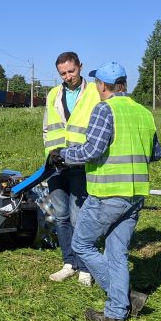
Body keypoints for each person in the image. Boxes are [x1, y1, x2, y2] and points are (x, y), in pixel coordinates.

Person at [52, 61, 161, 321]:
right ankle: (115, 316)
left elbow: (92, 151)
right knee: (117, 253)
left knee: (82, 245)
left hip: (108, 194)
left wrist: (63, 155)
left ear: (102, 85)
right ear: (124, 83)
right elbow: (155, 154)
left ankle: (121, 298)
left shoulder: (105, 109)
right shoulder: (143, 112)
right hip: (136, 196)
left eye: (98, 84)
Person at [42, 51, 101, 287]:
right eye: (62, 73)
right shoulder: (53, 94)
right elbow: (48, 128)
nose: (67, 76)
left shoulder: (95, 93)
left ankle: (85, 267)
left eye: (71, 71)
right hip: (57, 166)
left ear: (80, 67)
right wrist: (50, 154)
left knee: (80, 218)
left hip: (81, 165)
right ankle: (69, 263)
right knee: (61, 217)